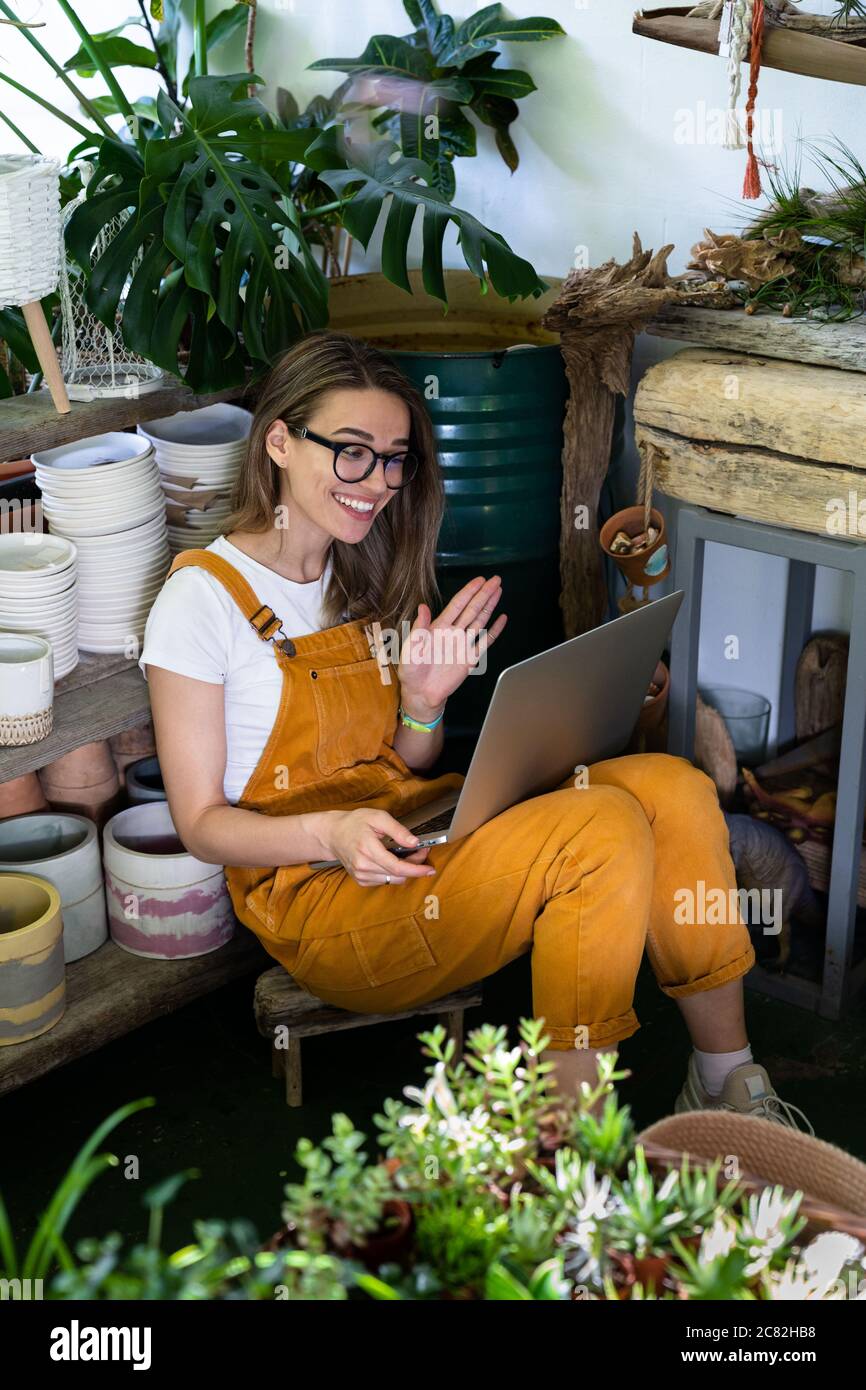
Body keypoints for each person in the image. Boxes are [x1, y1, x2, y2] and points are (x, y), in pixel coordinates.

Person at [141, 330, 812, 1130]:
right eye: (352, 453)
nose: (379, 483)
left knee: (672, 784)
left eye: (395, 458)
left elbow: (401, 764)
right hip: (327, 908)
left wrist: (425, 702)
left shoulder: (354, 575)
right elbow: (202, 827)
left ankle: (727, 1080)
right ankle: (566, 1144)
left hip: (414, 840)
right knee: (599, 827)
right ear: (279, 441)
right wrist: (333, 833)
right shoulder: (199, 601)